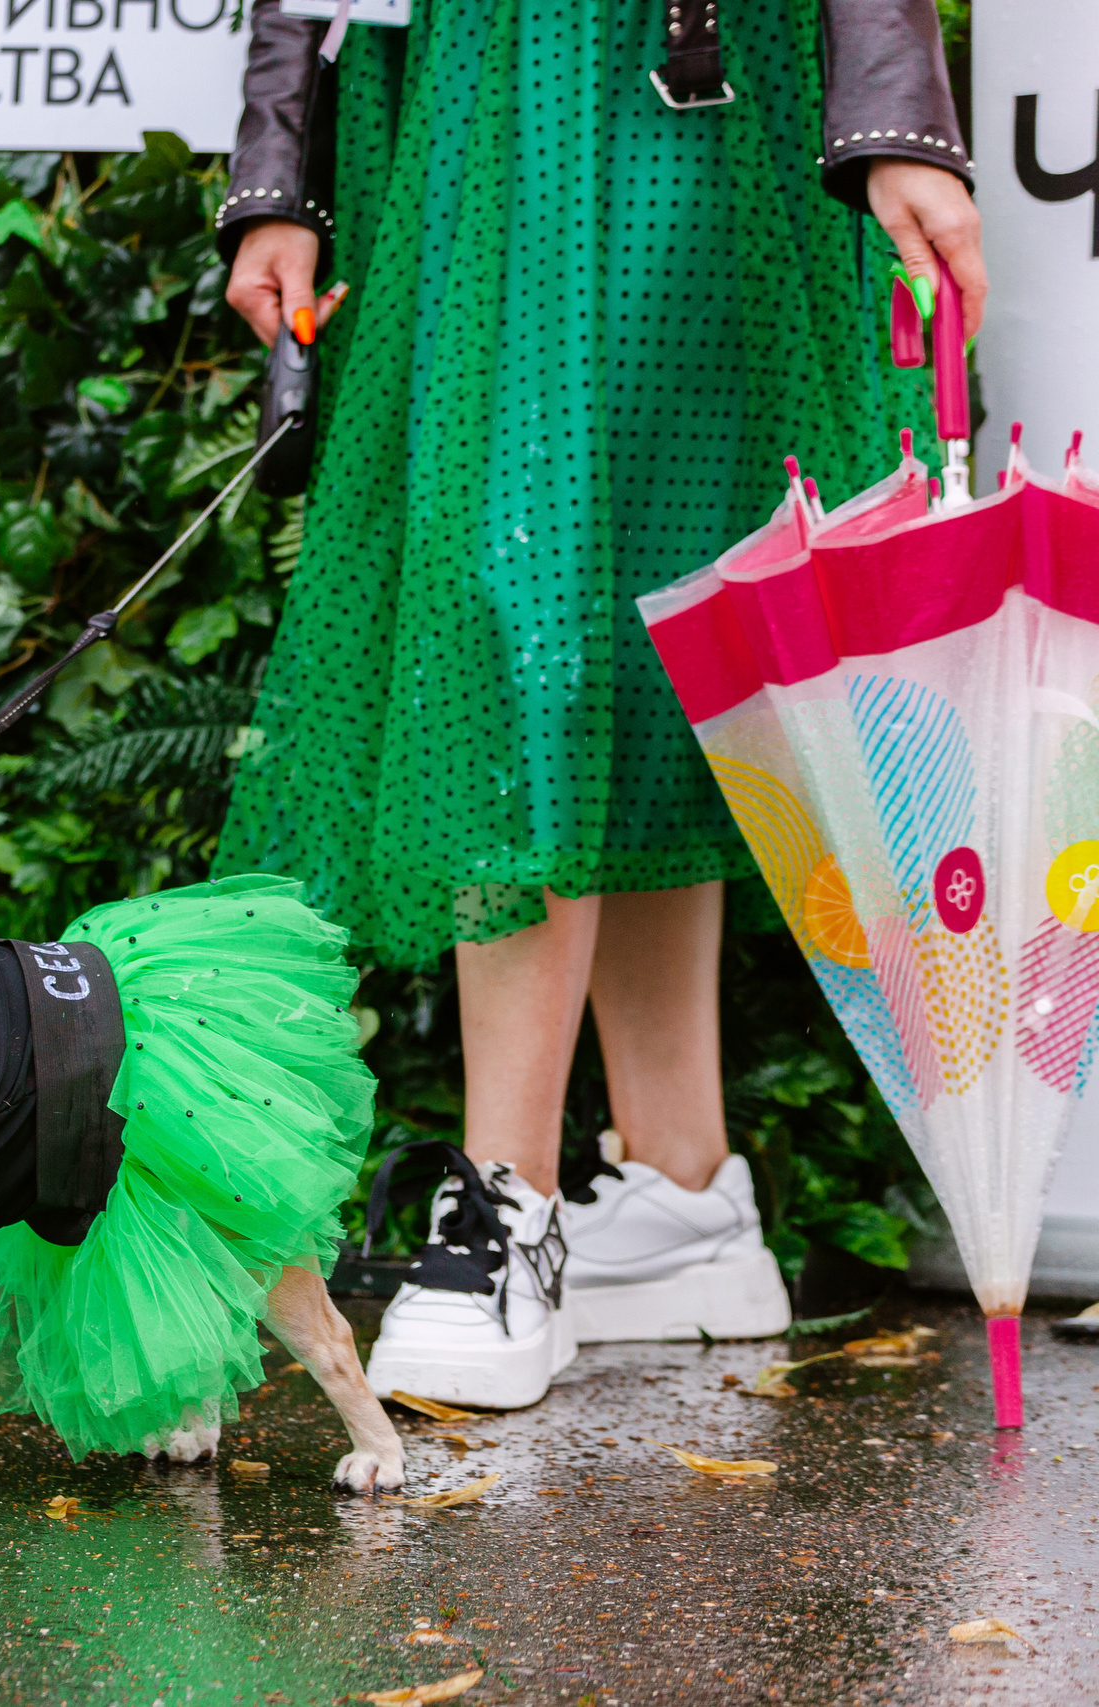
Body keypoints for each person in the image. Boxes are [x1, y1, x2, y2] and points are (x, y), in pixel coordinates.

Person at [213, 0, 987, 1407]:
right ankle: (683, 1192)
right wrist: (285, 168)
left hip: (676, 75)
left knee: (589, 609)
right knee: (582, 607)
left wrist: (897, 120)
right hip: (470, 79)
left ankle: (509, 1207)